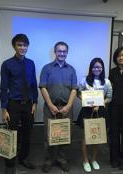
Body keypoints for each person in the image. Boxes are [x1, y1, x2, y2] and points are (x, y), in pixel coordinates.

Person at [0, 34, 38, 174]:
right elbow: (3, 87)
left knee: (27, 132)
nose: (22, 48)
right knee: (12, 133)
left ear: (28, 46)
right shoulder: (7, 64)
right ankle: (10, 164)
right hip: (13, 104)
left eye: (24, 45)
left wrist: (35, 102)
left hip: (28, 104)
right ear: (14, 46)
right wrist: (4, 108)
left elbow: (34, 84)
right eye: (19, 45)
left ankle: (23, 158)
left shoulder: (31, 63)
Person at [39, 41, 78, 173]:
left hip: (67, 108)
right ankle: (48, 160)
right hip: (51, 108)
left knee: (65, 136)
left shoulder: (71, 69)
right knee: (49, 136)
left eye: (64, 51)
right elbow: (43, 87)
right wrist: (50, 105)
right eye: (59, 51)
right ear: (55, 52)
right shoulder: (47, 68)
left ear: (67, 52)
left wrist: (68, 106)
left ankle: (62, 160)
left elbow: (74, 90)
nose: (62, 53)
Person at [76, 58, 112, 172]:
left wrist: (100, 103)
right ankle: (85, 160)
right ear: (91, 68)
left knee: (97, 137)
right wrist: (86, 101)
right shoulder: (84, 80)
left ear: (103, 68)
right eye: (95, 67)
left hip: (100, 111)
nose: (97, 69)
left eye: (100, 67)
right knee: (86, 137)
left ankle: (94, 160)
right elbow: (78, 93)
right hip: (87, 111)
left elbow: (109, 97)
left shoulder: (106, 82)